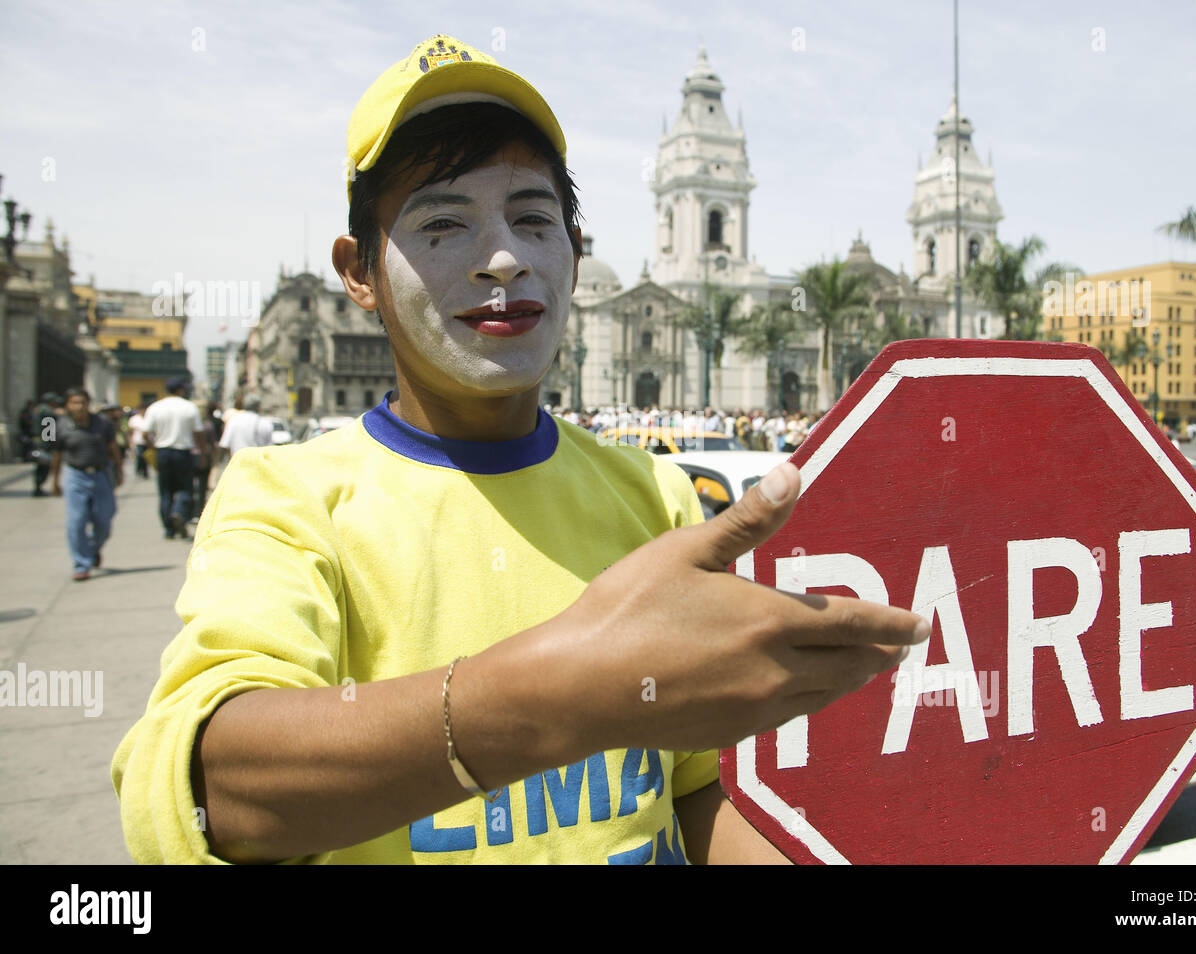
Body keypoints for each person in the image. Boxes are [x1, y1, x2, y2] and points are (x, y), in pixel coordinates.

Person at [112, 33, 926, 865]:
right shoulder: (286, 500)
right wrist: (570, 692)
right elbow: (211, 793)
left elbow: (693, 790)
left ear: (573, 254)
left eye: (533, 219)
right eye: (442, 222)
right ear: (359, 273)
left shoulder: (657, 496)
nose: (502, 259)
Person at [50, 388, 122, 580]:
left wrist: (119, 470)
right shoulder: (60, 425)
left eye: (82, 402)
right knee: (76, 521)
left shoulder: (102, 423)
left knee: (104, 520)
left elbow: (113, 448)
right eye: (74, 402)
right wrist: (54, 481)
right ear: (68, 405)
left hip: (100, 474)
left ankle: (92, 549)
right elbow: (56, 455)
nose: (79, 406)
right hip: (75, 475)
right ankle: (81, 563)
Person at [143, 377, 206, 540]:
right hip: (183, 453)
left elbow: (145, 432)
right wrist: (202, 453)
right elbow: (198, 433)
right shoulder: (189, 407)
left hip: (162, 451)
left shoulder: (155, 407)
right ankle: (179, 512)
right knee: (186, 488)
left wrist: (152, 446)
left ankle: (168, 530)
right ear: (180, 390)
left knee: (165, 491)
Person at [30, 392, 62, 496]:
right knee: (43, 467)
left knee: (41, 467)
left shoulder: (40, 409)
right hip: (44, 444)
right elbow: (48, 431)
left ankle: (38, 487)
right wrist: (51, 445)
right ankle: (38, 488)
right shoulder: (47, 412)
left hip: (39, 442)